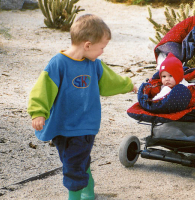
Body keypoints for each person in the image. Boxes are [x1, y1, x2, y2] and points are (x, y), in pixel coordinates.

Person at [27, 14, 137, 200]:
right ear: (87, 45)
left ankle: (76, 196)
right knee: (76, 161)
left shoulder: (94, 65)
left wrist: (128, 85)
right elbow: (42, 90)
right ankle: (88, 190)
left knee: (72, 166)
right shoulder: (58, 64)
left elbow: (111, 80)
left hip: (85, 126)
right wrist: (38, 113)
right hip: (62, 127)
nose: (102, 52)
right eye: (101, 48)